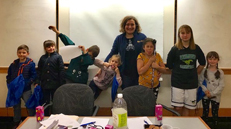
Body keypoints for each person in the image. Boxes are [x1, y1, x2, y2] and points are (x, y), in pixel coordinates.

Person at [165, 24, 206, 116]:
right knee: (178, 107)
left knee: (188, 107)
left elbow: (202, 63)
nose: (185, 35)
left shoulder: (196, 48)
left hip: (191, 83)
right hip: (177, 82)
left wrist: (195, 73)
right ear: (179, 35)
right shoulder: (175, 49)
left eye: (187, 33)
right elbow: (169, 65)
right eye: (182, 33)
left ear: (191, 34)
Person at [105, 15, 146, 89]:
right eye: (127, 24)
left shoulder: (142, 37)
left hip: (140, 73)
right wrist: (103, 66)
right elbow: (113, 53)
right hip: (125, 74)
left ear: (136, 26)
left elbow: (150, 52)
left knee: (139, 97)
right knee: (127, 96)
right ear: (124, 26)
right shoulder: (119, 39)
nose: (130, 27)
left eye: (132, 24)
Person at [6, 45, 37, 128]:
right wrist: (9, 83)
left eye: (24, 52)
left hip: (25, 89)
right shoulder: (13, 64)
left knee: (29, 105)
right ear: (17, 53)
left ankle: (32, 119)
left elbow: (33, 76)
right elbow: (9, 75)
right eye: (19, 53)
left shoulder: (30, 64)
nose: (21, 54)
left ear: (27, 53)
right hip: (15, 89)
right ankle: (16, 121)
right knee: (16, 106)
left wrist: (26, 83)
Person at [35, 40, 65, 116]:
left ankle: (55, 116)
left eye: (52, 46)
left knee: (56, 101)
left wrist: (62, 83)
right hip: (45, 84)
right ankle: (46, 116)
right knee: (45, 101)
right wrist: (37, 81)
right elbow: (39, 70)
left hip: (55, 83)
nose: (51, 48)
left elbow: (61, 70)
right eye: (48, 47)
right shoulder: (43, 58)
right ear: (45, 48)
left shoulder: (58, 57)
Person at [199, 51, 224, 128]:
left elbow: (221, 85)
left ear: (218, 60)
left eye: (214, 59)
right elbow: (200, 82)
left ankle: (215, 125)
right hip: (206, 95)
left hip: (216, 97)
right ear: (207, 60)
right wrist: (206, 91)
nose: (212, 61)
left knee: (215, 113)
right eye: (210, 59)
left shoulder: (220, 72)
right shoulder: (204, 71)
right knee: (205, 113)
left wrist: (212, 93)